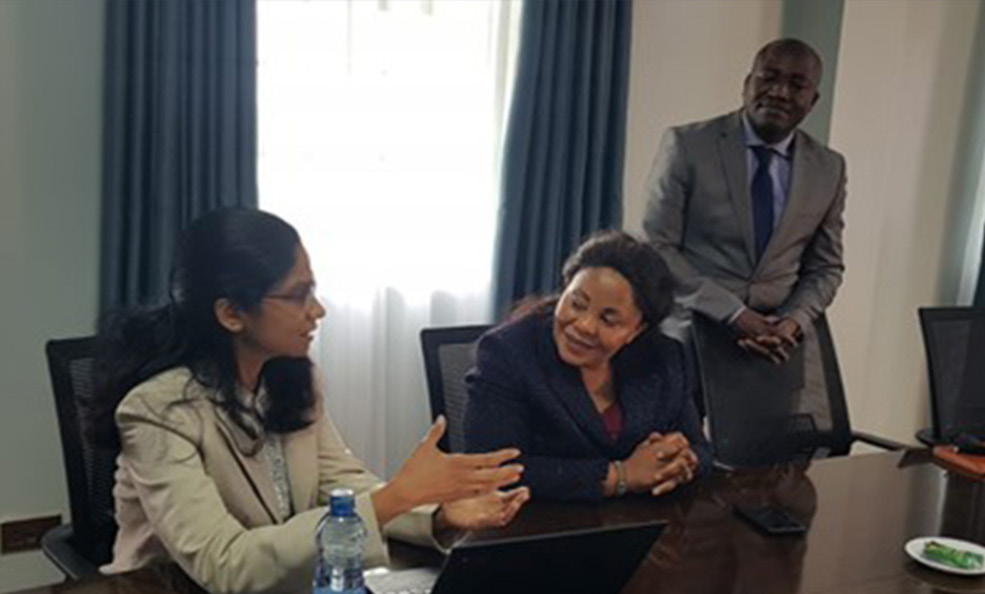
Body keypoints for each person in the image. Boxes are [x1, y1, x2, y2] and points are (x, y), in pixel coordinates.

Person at [90, 208, 530, 594]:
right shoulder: (156, 412)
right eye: (298, 295)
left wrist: (438, 516)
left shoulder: (294, 378)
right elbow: (223, 564)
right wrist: (396, 496)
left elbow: (344, 486)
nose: (317, 310)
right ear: (231, 314)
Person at [464, 230, 710, 502]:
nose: (583, 325)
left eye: (608, 320)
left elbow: (699, 447)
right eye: (577, 303)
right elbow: (490, 471)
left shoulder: (664, 358)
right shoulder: (508, 352)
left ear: (637, 330)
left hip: (642, 526)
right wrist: (621, 475)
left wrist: (679, 464)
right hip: (540, 529)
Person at [643, 38, 846, 365]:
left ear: (813, 100)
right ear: (747, 84)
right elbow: (656, 247)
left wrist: (793, 321)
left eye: (797, 85)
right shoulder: (687, 145)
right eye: (769, 78)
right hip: (691, 332)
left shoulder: (829, 168)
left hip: (777, 346)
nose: (779, 92)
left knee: (787, 419)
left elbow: (825, 267)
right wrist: (734, 314)